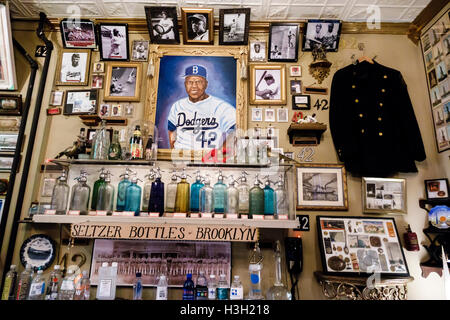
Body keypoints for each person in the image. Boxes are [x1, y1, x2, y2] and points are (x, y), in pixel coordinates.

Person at [167, 65, 236, 150]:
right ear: (185, 84)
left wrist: (221, 153)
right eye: (190, 82)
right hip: (182, 158)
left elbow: (235, 130)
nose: (194, 86)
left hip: (210, 159)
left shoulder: (221, 107)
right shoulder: (177, 106)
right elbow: (171, 130)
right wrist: (174, 151)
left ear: (206, 84)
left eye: (199, 82)